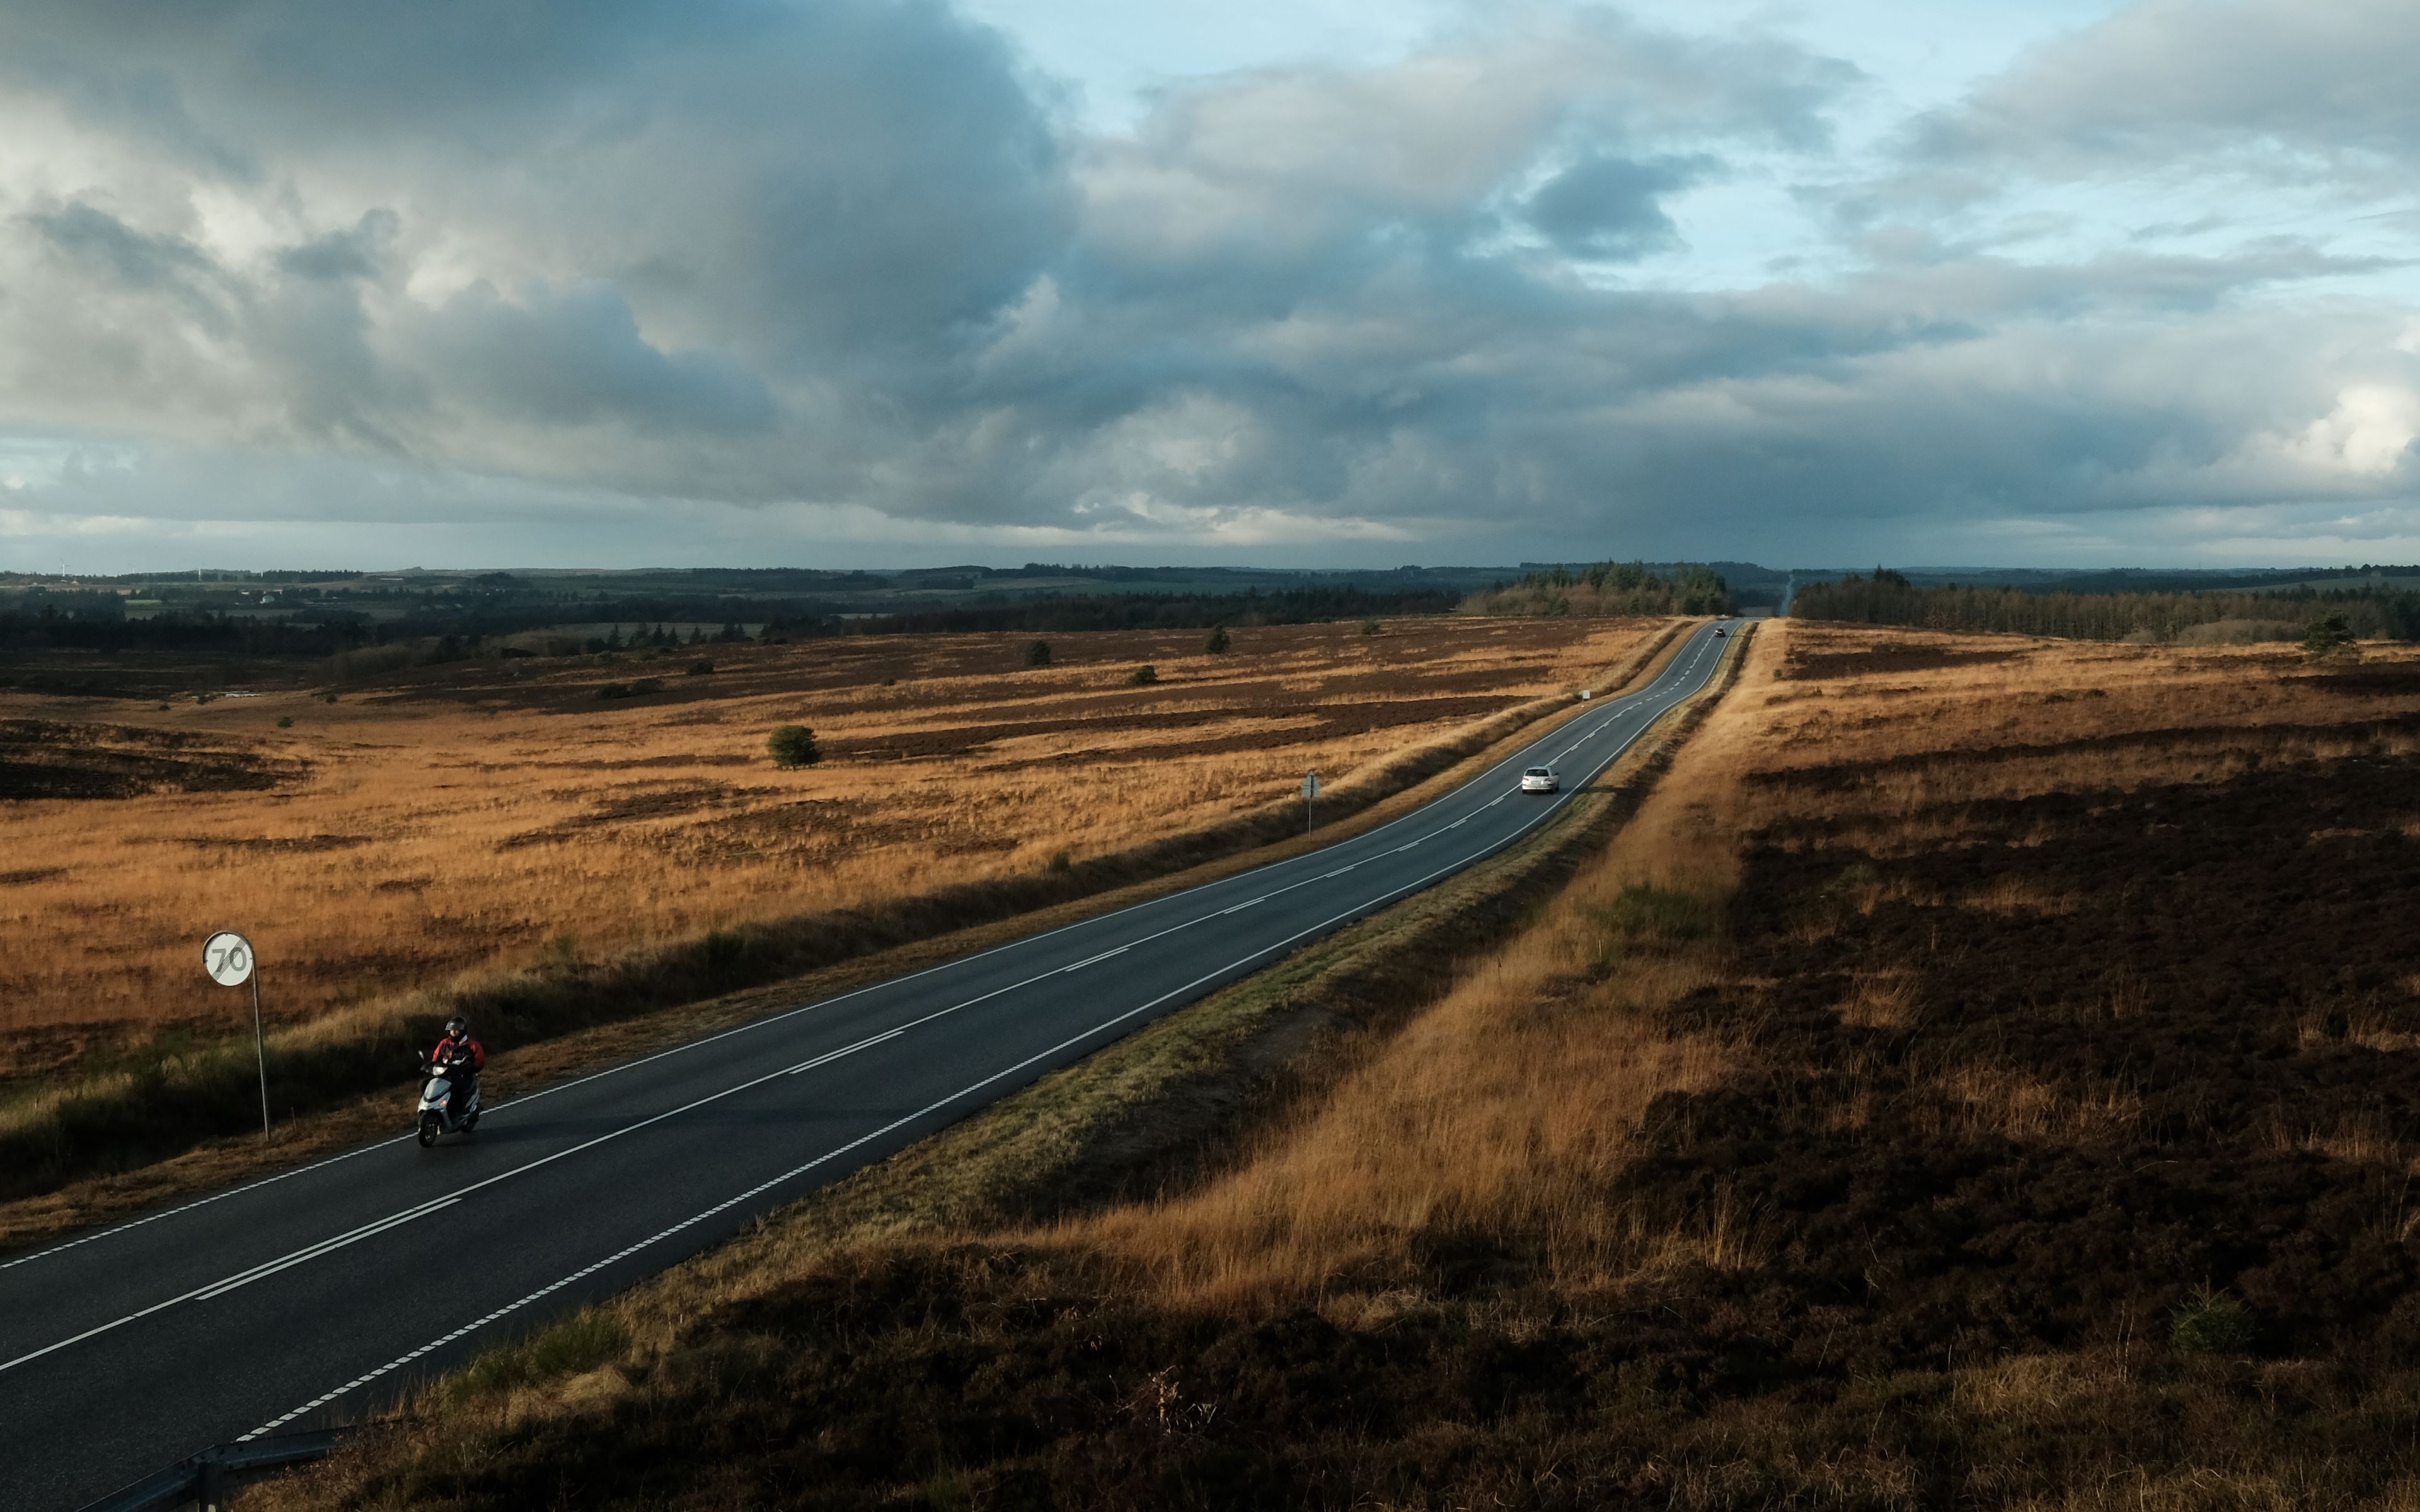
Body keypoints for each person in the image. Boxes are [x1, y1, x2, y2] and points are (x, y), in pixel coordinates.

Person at [429, 1015, 486, 1123]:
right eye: (452, 1030)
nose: (454, 1032)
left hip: (463, 1075)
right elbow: (436, 1057)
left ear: (463, 1030)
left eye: (457, 1030)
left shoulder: (473, 1045)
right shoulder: (444, 1043)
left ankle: (460, 1111)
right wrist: (430, 1065)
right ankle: (431, 1107)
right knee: (425, 1084)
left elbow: (480, 1062)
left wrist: (469, 1068)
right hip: (445, 1074)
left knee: (457, 1088)